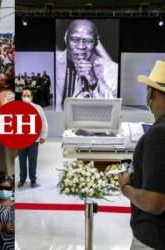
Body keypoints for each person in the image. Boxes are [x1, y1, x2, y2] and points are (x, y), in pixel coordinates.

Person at [118, 60, 165, 250]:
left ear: (151, 93)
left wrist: (125, 187)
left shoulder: (159, 133)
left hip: (153, 238)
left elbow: (155, 203)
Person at [56, 19, 118, 105]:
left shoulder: (112, 69)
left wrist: (94, 83)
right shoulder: (51, 62)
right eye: (75, 39)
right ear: (66, 38)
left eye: (88, 41)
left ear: (96, 42)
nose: (81, 46)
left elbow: (115, 109)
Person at [18, 89, 48, 188]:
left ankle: (33, 180)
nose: (26, 97)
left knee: (32, 161)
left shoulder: (38, 108)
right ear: (21, 97)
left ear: (31, 97)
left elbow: (43, 122)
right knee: (22, 161)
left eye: (28, 95)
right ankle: (22, 179)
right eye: (24, 95)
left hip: (33, 140)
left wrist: (43, 136)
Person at [0, 177, 14, 250]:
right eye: (1, 188)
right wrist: (3, 227)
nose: (4, 190)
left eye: (7, 188)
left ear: (12, 189)